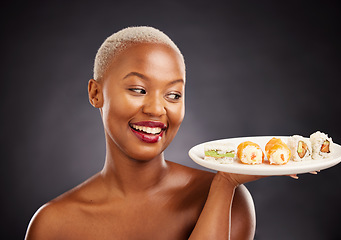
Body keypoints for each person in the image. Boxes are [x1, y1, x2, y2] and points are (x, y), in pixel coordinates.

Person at [25, 26, 265, 240]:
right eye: (138, 90)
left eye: (173, 95)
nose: (156, 109)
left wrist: (224, 186)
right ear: (96, 93)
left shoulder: (228, 199)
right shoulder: (52, 225)